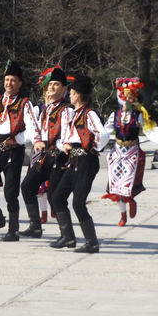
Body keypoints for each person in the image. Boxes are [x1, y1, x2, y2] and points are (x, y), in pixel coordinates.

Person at [0, 60, 44, 242]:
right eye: (7, 80)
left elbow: (32, 127)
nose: (9, 83)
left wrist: (19, 139)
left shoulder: (24, 103)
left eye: (13, 80)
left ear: (19, 83)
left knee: (10, 192)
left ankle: (13, 230)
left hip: (13, 151)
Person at [50, 73, 110, 253]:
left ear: (77, 95)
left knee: (78, 203)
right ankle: (68, 237)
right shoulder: (75, 114)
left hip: (85, 162)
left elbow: (103, 135)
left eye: (71, 93)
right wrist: (65, 146)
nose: (69, 95)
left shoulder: (89, 113)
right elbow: (67, 138)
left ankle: (92, 242)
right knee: (57, 197)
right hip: (73, 161)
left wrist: (90, 148)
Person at [102, 78, 158, 226]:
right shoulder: (114, 115)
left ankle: (131, 200)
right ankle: (122, 215)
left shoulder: (139, 115)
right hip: (117, 151)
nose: (127, 100)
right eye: (125, 97)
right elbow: (104, 131)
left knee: (127, 183)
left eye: (130, 98)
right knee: (116, 184)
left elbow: (149, 130)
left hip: (132, 152)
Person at [19, 65, 71, 238]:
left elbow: (66, 135)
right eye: (50, 84)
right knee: (27, 186)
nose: (51, 87)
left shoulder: (66, 110)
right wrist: (36, 141)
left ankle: (67, 234)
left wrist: (59, 145)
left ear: (64, 89)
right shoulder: (46, 109)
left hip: (59, 156)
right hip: (45, 157)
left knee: (55, 197)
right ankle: (35, 226)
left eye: (56, 84)